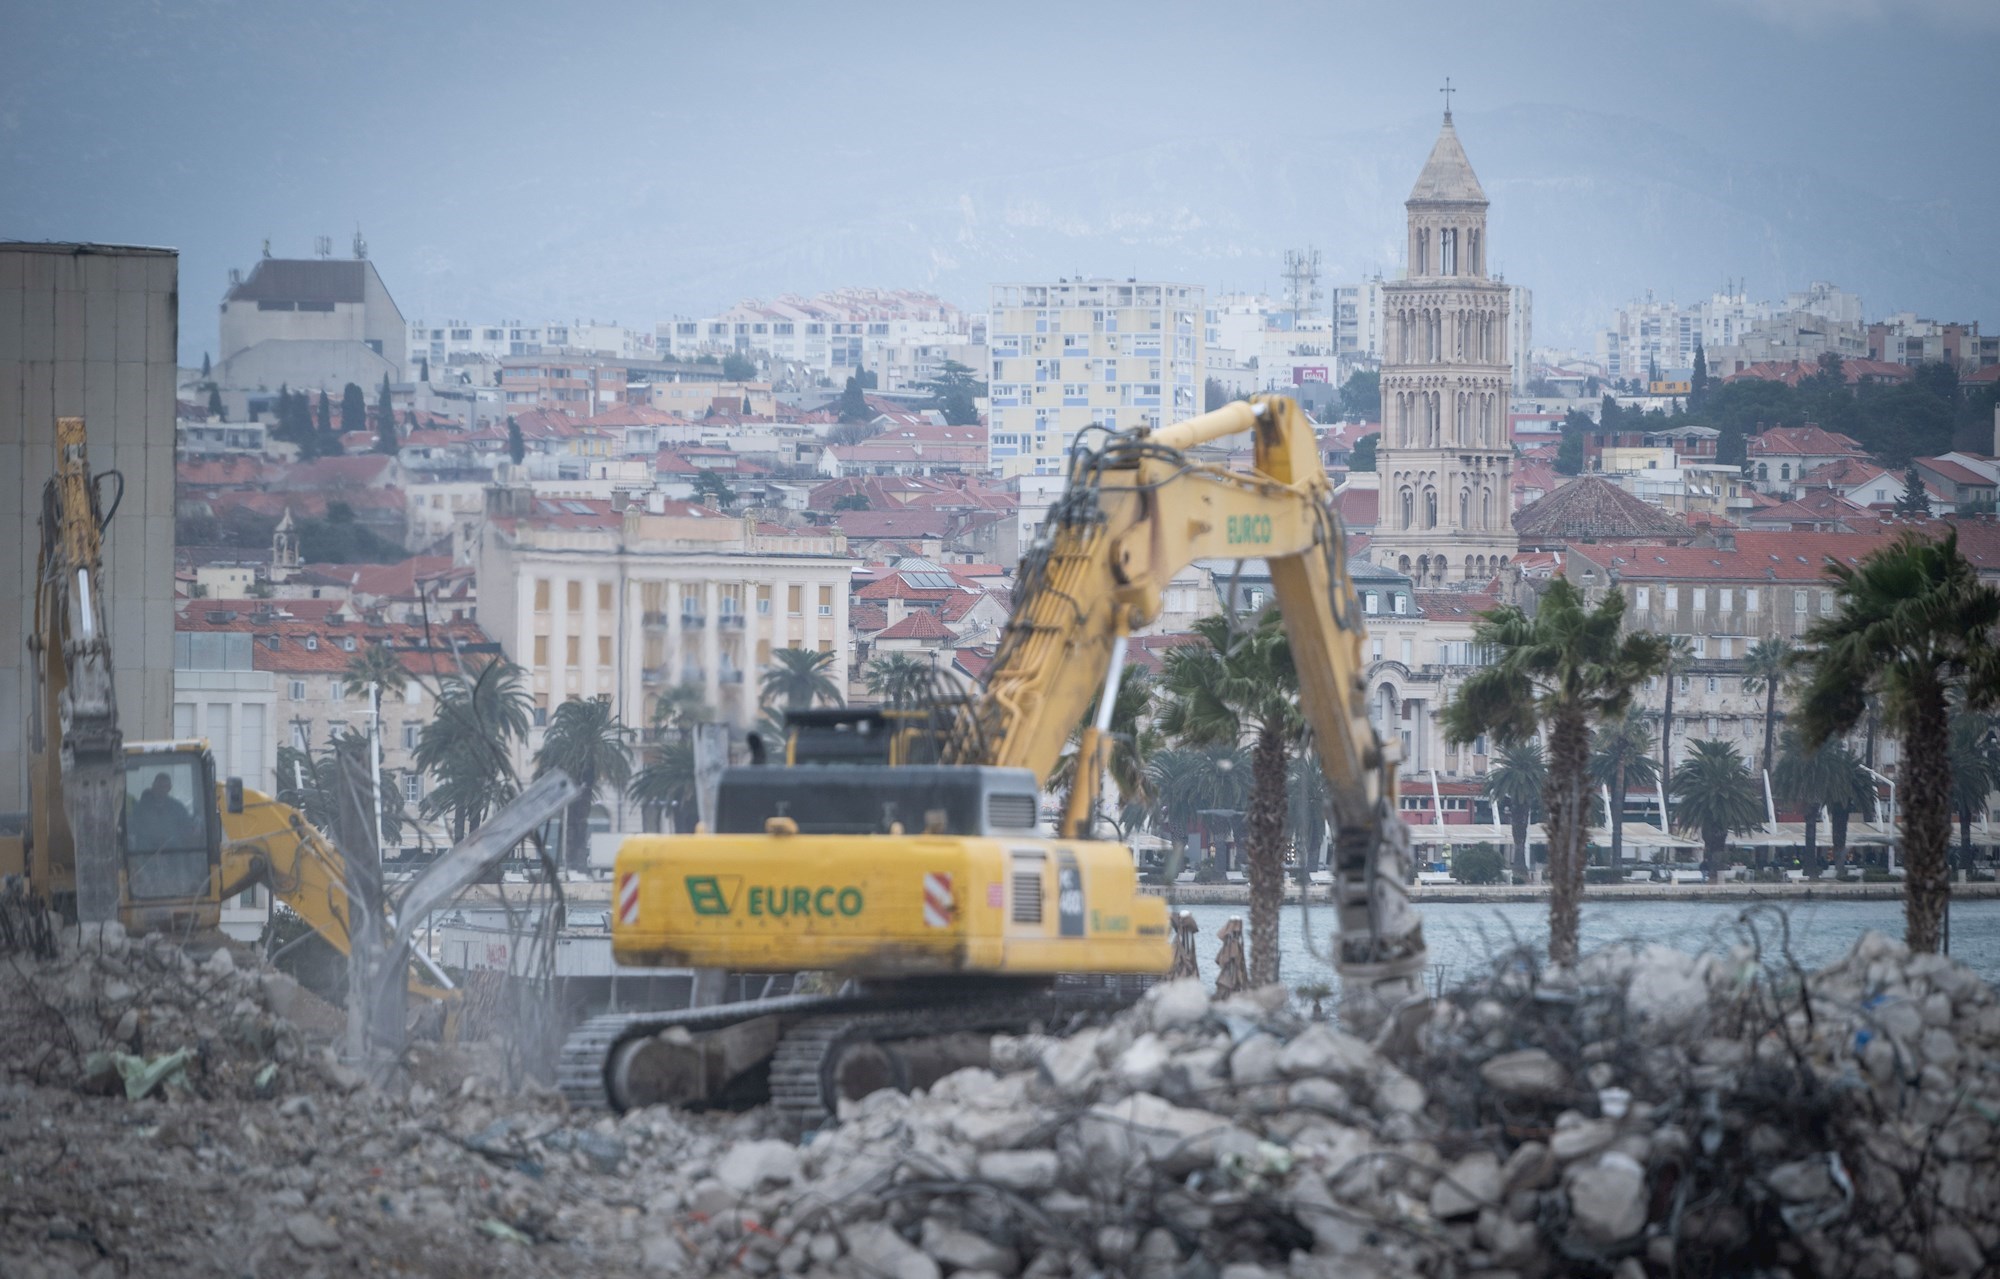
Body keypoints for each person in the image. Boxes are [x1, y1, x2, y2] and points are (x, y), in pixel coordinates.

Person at [130, 772, 194, 851]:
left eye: (164, 787)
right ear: (153, 786)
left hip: (173, 850)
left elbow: (185, 827)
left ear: (169, 788)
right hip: (146, 851)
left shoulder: (178, 808)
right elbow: (134, 828)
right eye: (159, 786)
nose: (161, 790)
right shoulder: (140, 808)